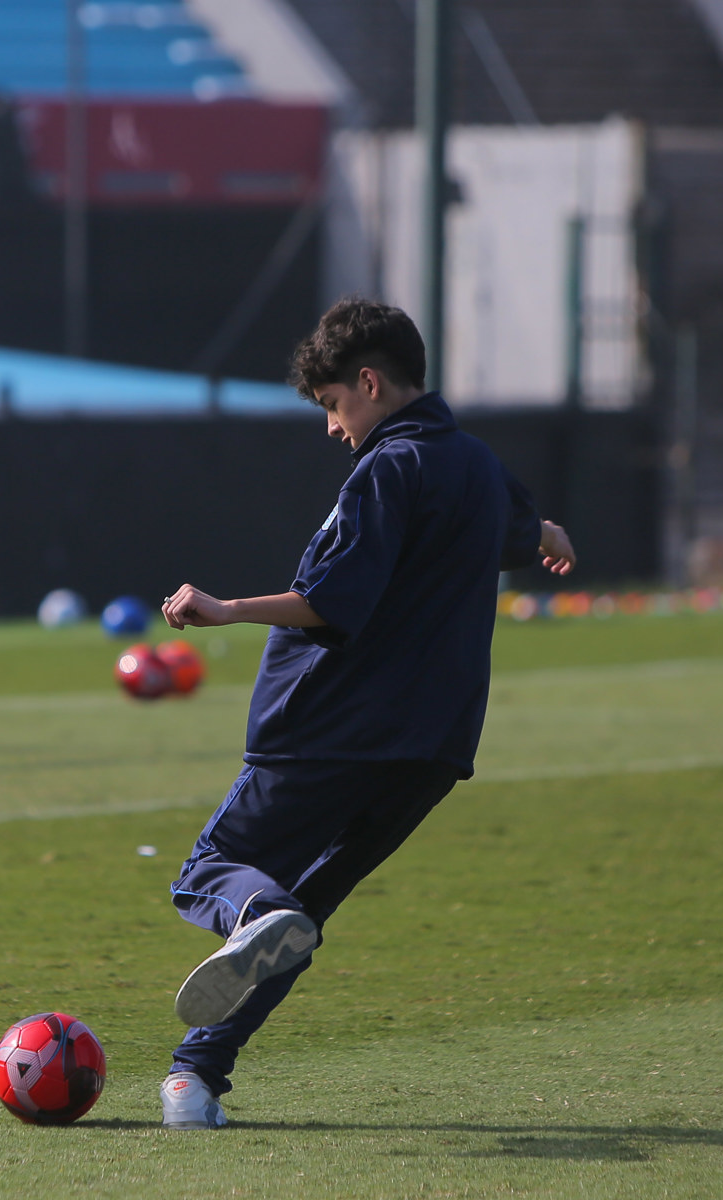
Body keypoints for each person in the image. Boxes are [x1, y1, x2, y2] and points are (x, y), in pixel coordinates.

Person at [153, 298, 576, 1130]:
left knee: (213, 872)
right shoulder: (479, 467)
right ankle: (195, 1079)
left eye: (335, 405)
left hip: (329, 731)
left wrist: (227, 607)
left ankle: (248, 922)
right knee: (298, 919)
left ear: (371, 384)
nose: (334, 427)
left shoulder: (387, 469)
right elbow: (521, 529)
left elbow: (332, 600)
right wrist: (550, 534)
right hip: (431, 751)